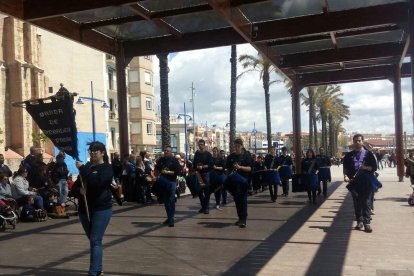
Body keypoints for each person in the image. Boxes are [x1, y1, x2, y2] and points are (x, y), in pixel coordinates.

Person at [73, 141, 114, 276]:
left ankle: (93, 272)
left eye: (95, 151)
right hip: (85, 209)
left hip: (101, 209)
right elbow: (74, 188)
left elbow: (98, 184)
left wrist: (83, 169)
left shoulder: (107, 168)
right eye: (90, 151)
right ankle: (98, 268)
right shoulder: (88, 167)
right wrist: (79, 191)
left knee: (95, 240)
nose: (92, 153)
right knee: (93, 240)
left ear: (102, 153)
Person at [343, 134, 377, 233]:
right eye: (355, 141)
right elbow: (345, 168)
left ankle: (367, 223)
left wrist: (365, 168)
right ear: (353, 142)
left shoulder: (368, 154)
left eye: (359, 141)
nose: (357, 142)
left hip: (366, 181)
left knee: (366, 202)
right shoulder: (349, 155)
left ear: (362, 141)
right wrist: (345, 176)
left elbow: (374, 167)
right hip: (354, 182)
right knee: (357, 202)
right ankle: (359, 221)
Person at [225, 138, 252, 228]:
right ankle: (240, 218)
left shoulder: (246, 156)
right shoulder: (230, 157)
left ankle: (243, 220)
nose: (236, 148)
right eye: (235, 146)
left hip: (243, 181)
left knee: (243, 200)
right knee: (237, 200)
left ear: (242, 146)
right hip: (234, 182)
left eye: (238, 146)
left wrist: (240, 167)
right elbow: (227, 169)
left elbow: (249, 169)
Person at [154, 146, 181, 227]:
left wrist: (169, 172)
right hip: (163, 181)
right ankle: (169, 217)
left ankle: (171, 218)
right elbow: (156, 169)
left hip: (171, 181)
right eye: (165, 150)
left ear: (171, 152)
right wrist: (157, 175)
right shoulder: (161, 160)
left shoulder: (174, 160)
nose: (166, 152)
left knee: (171, 200)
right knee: (166, 201)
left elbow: (178, 171)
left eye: (168, 151)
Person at [193, 139, 213, 214]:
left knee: (207, 191)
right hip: (198, 174)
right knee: (199, 191)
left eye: (201, 144)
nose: (200, 146)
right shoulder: (196, 154)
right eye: (199, 144)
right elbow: (194, 164)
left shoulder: (208, 154)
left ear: (204, 145)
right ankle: (203, 206)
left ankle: (206, 207)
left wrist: (203, 167)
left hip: (206, 174)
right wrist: (196, 168)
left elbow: (210, 165)